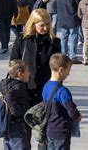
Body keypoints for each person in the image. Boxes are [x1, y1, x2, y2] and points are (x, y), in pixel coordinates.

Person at [10, 9, 61, 148]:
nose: (45, 28)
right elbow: (13, 62)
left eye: (47, 24)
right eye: (41, 25)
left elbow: (58, 68)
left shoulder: (54, 42)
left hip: (46, 91)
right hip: (25, 90)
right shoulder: (22, 39)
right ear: (33, 24)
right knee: (24, 130)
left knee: (44, 130)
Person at [43, 53, 81, 149]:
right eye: (68, 70)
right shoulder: (63, 91)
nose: (69, 73)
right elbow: (72, 112)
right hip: (61, 131)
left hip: (49, 130)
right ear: (61, 70)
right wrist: (78, 116)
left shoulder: (46, 86)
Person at [0, 60, 30, 150]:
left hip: (8, 122)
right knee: (21, 146)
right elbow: (9, 97)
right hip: (16, 122)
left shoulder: (7, 85)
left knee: (9, 145)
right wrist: (16, 112)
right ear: (20, 74)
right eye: (27, 71)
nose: (29, 73)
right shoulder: (19, 86)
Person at [57, 0, 82, 64]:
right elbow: (78, 3)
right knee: (73, 37)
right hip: (72, 16)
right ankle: (72, 56)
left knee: (64, 36)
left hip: (62, 16)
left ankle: (64, 54)